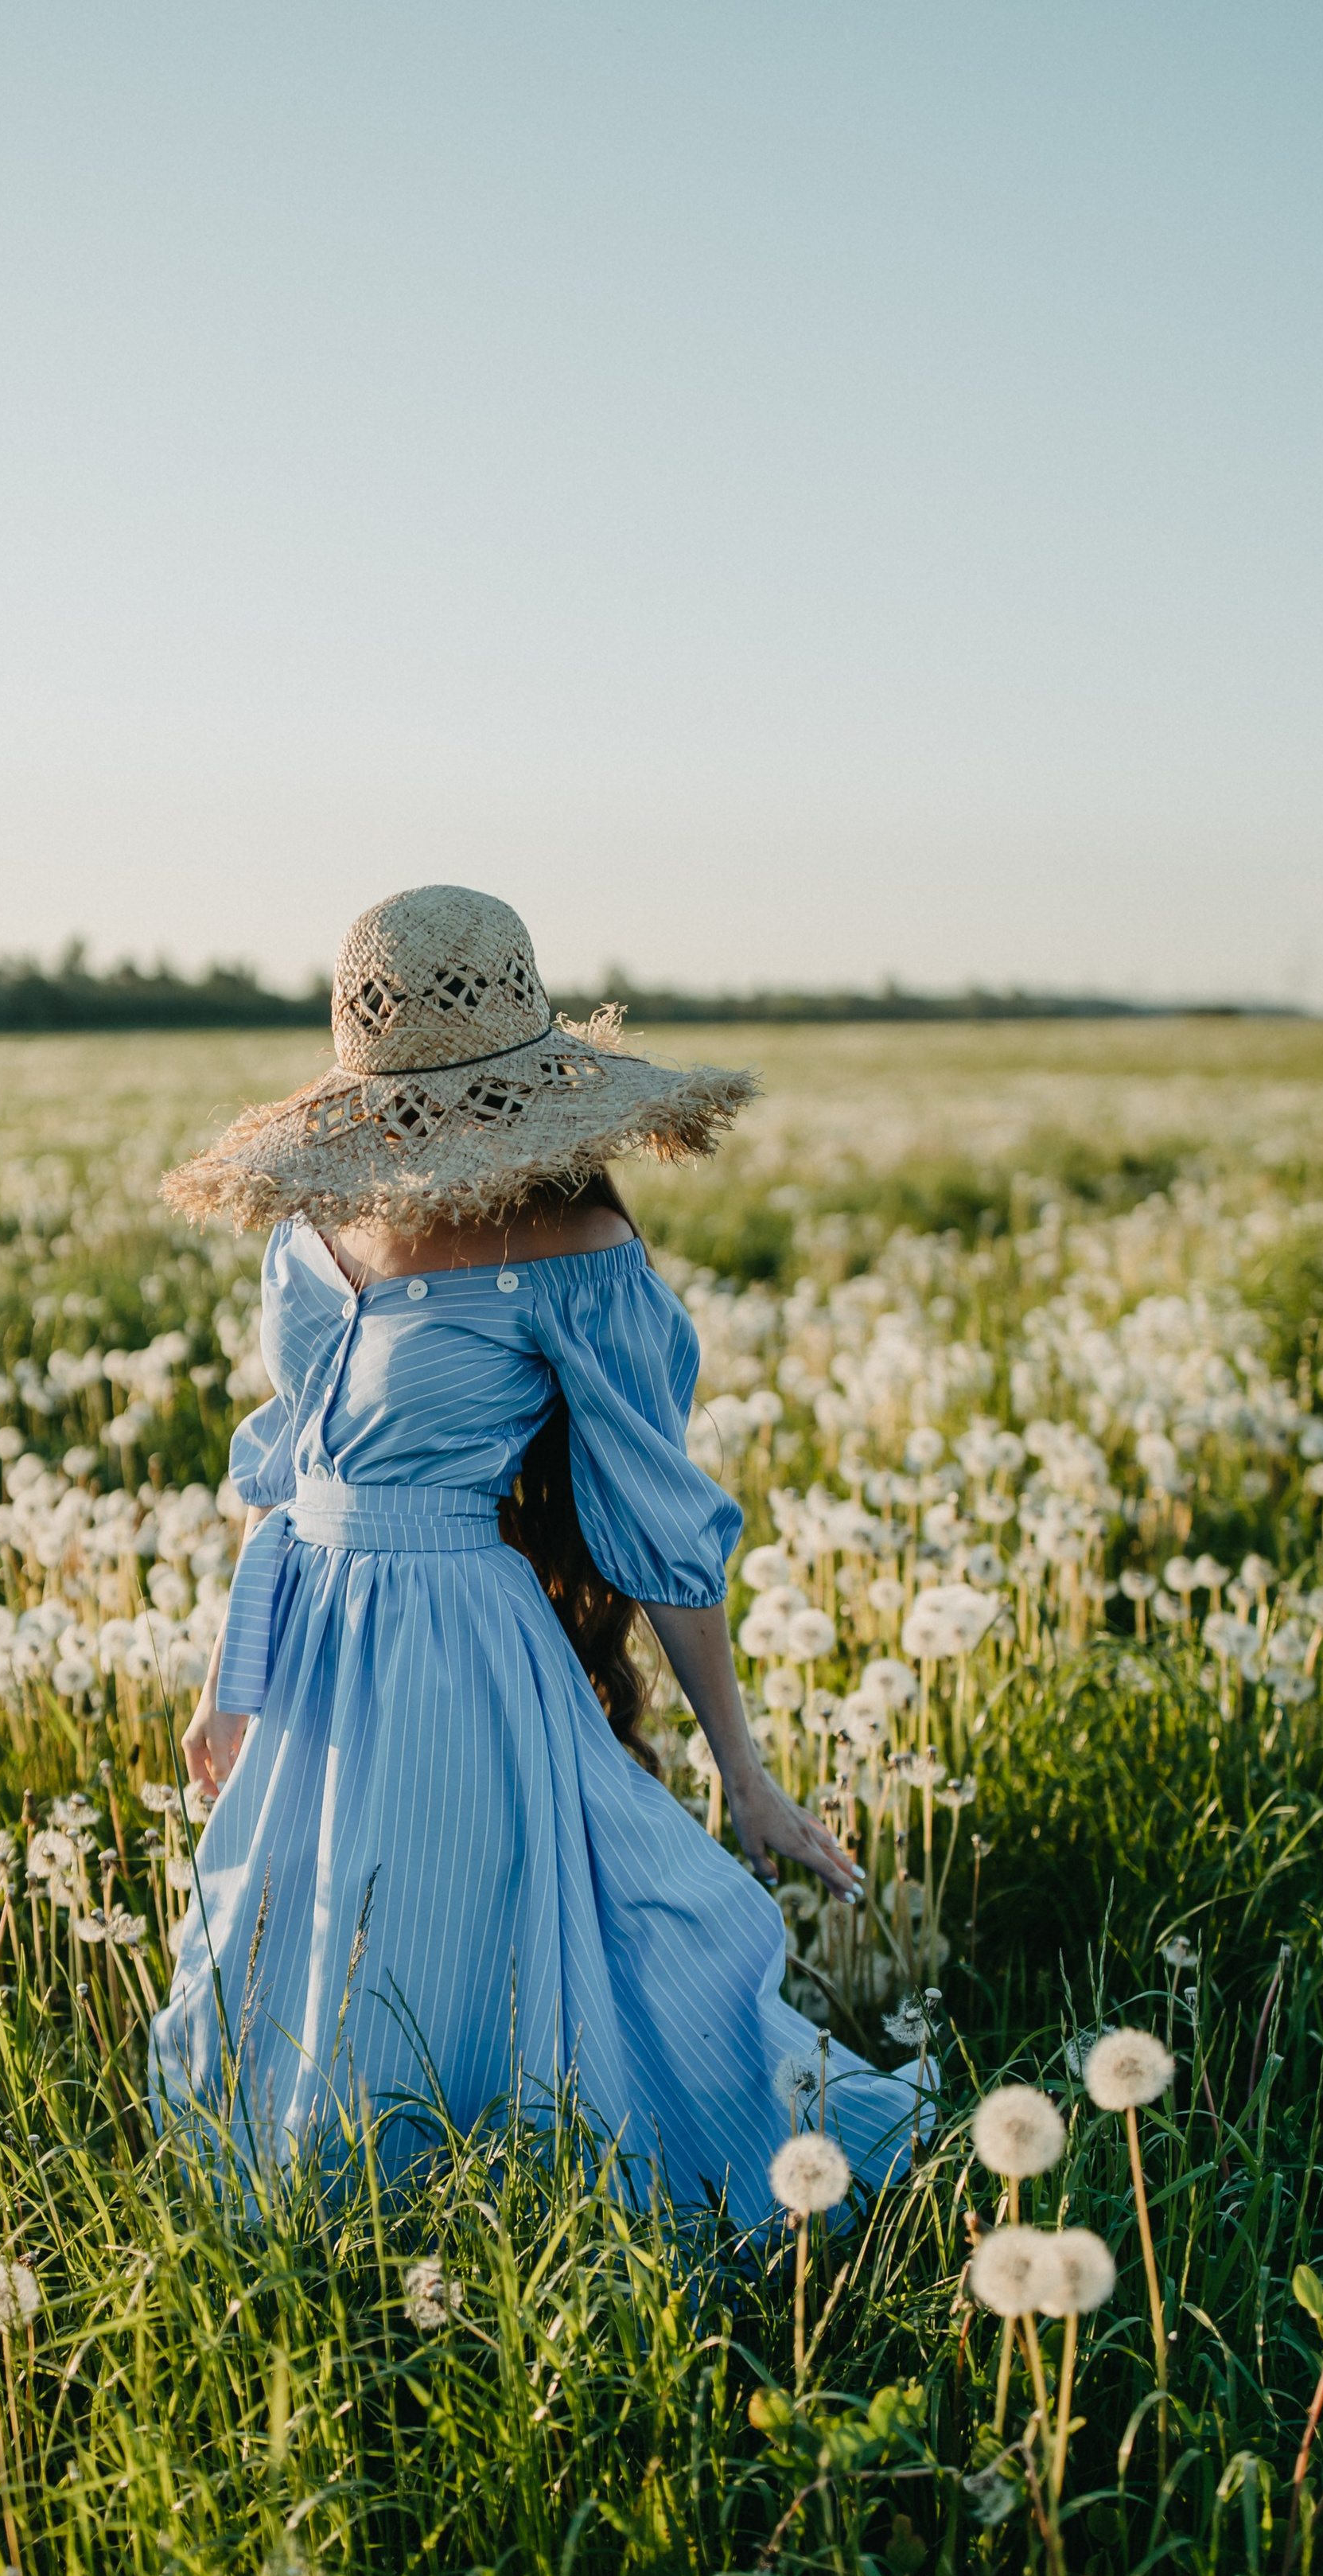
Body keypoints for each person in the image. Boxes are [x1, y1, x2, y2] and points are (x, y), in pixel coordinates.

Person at [150, 884, 920, 2204]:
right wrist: (237, 1679)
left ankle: (493, 2215)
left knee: (445, 1938)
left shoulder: (575, 1244)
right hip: (312, 1657)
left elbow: (657, 1527)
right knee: (297, 1940)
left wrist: (743, 1772)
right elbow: (283, 1479)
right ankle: (330, 2233)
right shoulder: (310, 1216)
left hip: (459, 1649)